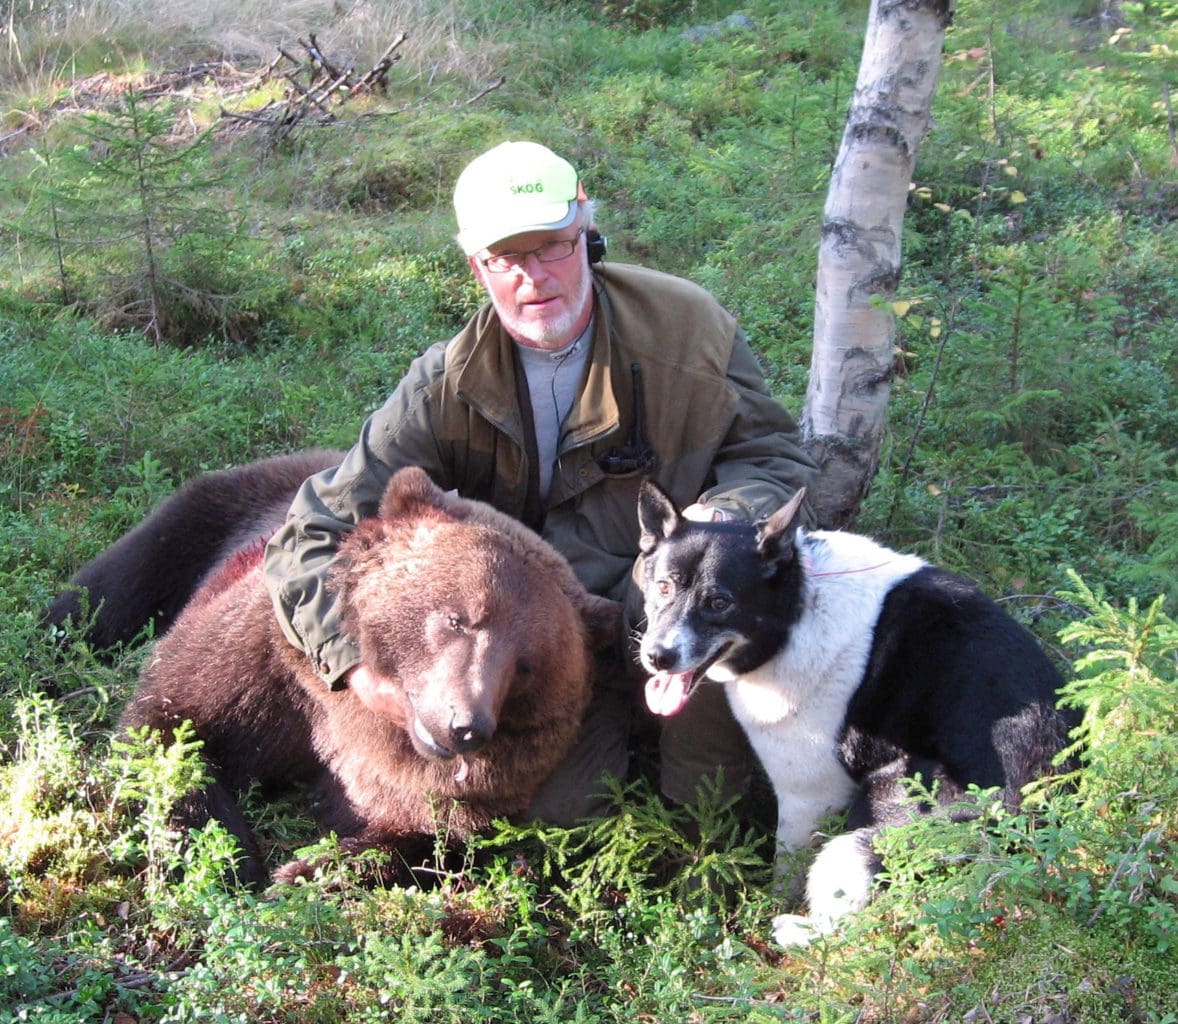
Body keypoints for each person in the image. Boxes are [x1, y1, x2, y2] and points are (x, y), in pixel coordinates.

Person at [262, 140, 817, 824]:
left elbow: (771, 455)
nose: (533, 276)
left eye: (552, 246)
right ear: (477, 266)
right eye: (506, 258)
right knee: (557, 819)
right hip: (540, 657)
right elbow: (309, 536)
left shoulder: (687, 330)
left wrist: (719, 523)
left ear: (586, 232)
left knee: (707, 784)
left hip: (668, 614)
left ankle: (705, 818)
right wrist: (354, 667)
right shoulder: (444, 388)